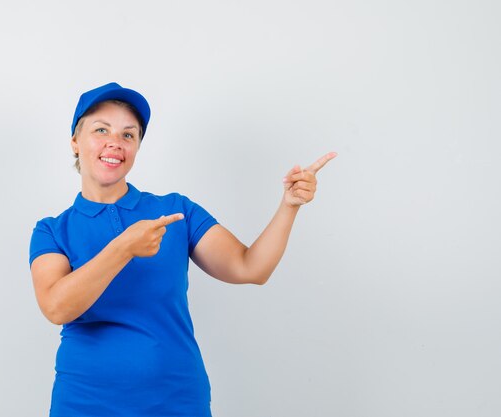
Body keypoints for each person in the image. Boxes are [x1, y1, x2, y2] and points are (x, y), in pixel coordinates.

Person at [29, 82, 337, 416]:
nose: (114, 143)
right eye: (101, 130)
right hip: (85, 403)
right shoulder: (52, 230)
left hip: (176, 401)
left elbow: (251, 268)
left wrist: (289, 205)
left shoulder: (176, 211)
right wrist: (124, 248)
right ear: (75, 141)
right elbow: (57, 307)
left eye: (128, 135)